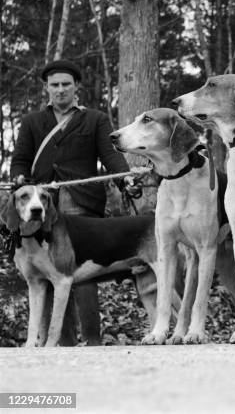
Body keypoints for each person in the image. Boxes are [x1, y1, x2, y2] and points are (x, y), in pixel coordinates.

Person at [10, 59, 139, 345]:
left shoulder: (95, 119)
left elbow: (110, 156)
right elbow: (20, 159)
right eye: (54, 85)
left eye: (65, 84)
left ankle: (92, 342)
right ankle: (60, 344)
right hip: (42, 208)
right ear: (46, 88)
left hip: (83, 206)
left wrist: (124, 178)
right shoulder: (32, 122)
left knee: (83, 278)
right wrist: (19, 177)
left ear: (76, 86)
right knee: (47, 276)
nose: (60, 90)